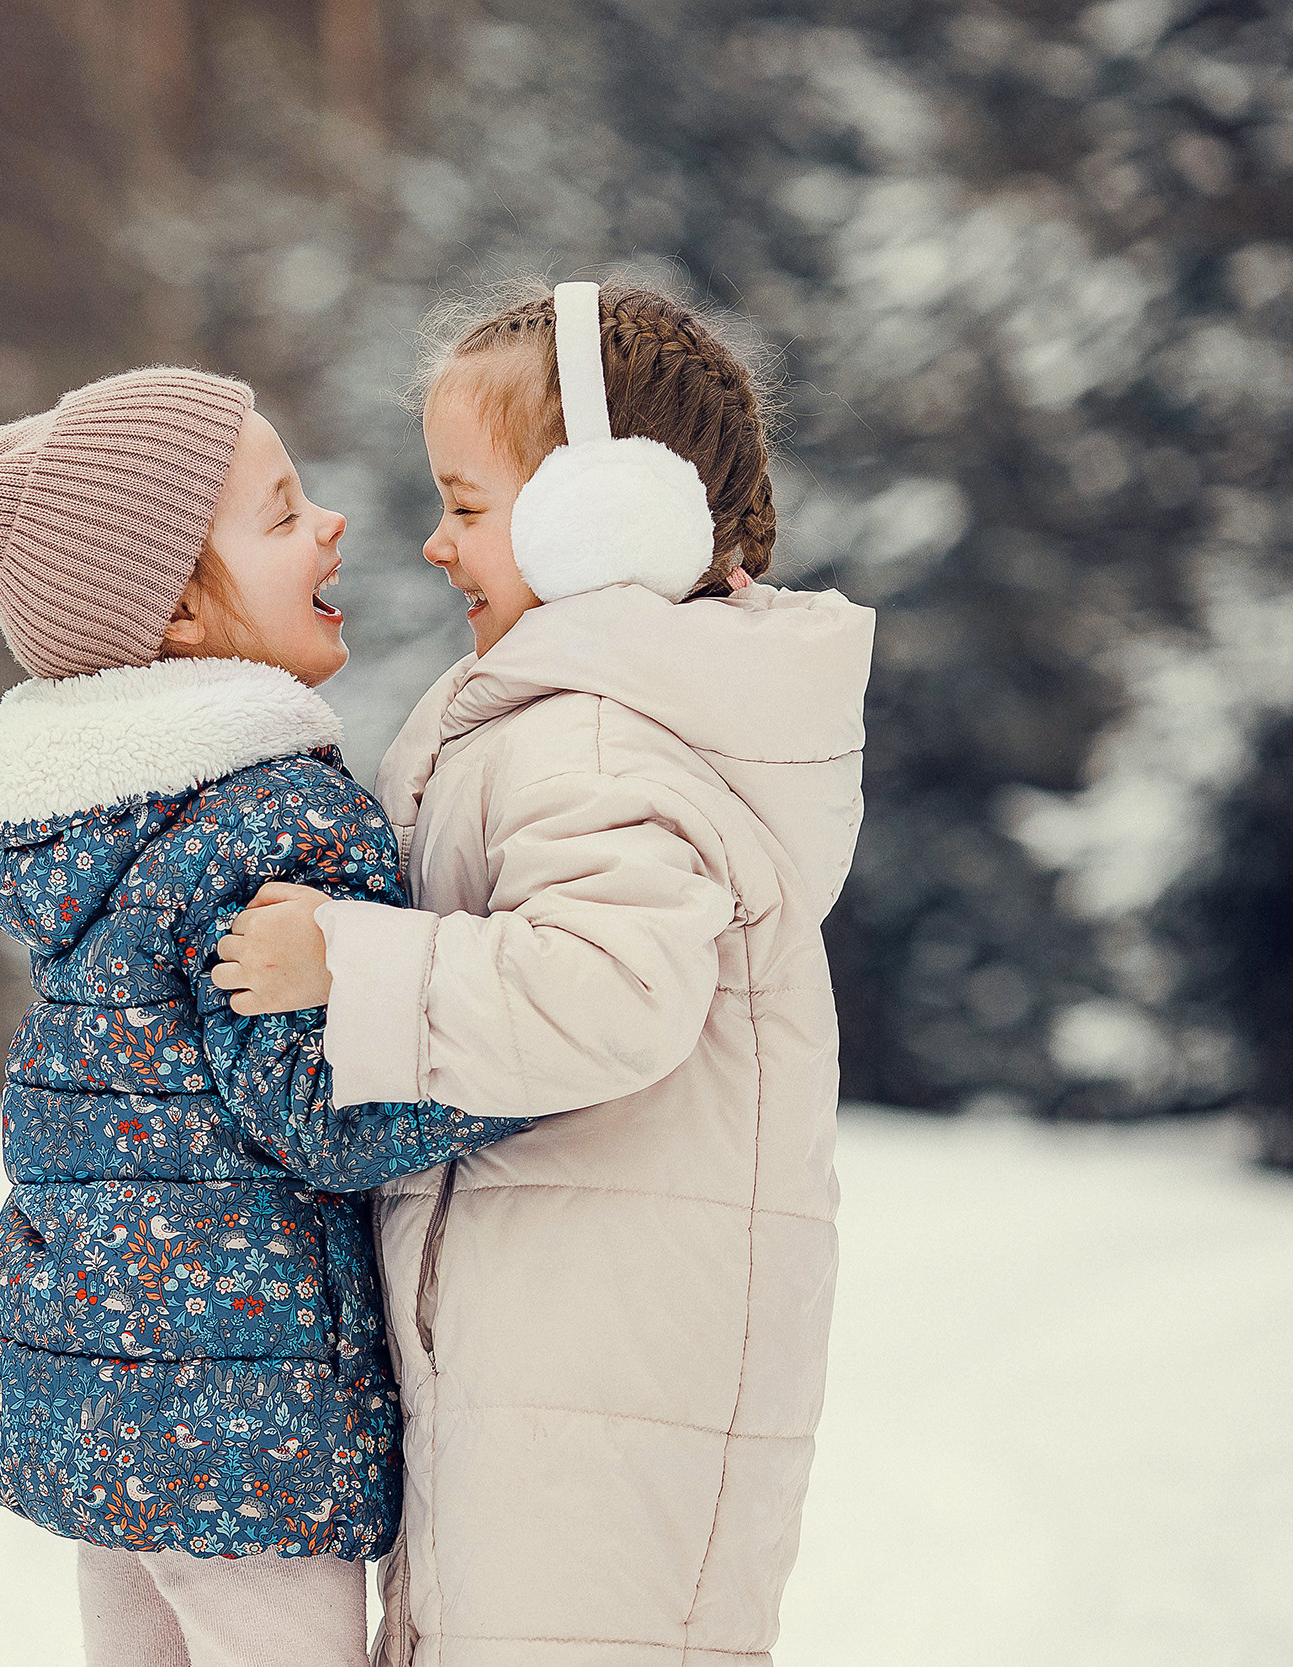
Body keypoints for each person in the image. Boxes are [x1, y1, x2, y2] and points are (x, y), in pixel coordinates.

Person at [214, 281, 877, 1667]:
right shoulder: (590, 713)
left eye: (466, 505)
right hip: (570, 1360)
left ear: (606, 516)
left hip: (601, 1377)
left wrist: (346, 963)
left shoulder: (595, 739)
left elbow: (607, 993)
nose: (432, 540)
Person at [0, 367, 525, 1667]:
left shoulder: (91, 832)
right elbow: (326, 1108)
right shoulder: (273, 821)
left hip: (103, 1408)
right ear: (173, 612)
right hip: (243, 1437)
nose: (330, 524)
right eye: (281, 516)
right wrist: (538, 1030)